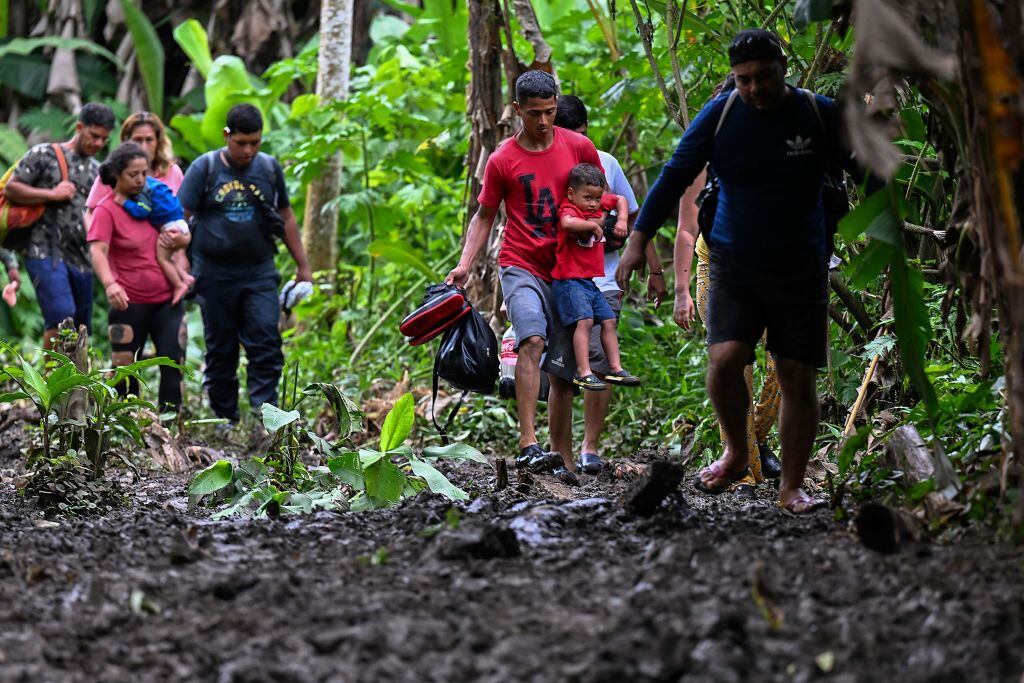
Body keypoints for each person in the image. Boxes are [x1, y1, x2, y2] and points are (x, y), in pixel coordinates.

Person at [618, 29, 865, 513]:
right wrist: (639, 238)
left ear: (783, 67)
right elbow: (675, 174)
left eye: (763, 76)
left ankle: (791, 487)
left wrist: (888, 224)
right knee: (727, 358)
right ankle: (735, 450)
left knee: (797, 373)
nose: (754, 88)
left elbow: (867, 172)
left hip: (801, 263)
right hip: (734, 260)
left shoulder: (817, 113)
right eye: (744, 79)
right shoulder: (723, 113)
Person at [445, 70, 603, 483]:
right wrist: (464, 263)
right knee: (531, 339)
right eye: (535, 114)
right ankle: (528, 444)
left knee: (564, 367)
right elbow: (483, 216)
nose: (545, 121)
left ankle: (562, 455)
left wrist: (610, 223)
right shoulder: (503, 160)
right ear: (518, 110)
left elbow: (596, 198)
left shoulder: (580, 147)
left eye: (551, 111)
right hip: (521, 264)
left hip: (568, 270)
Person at [672, 76, 783, 494]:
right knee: (736, 367)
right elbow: (686, 229)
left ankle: (752, 438)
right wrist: (682, 291)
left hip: (773, 268)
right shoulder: (701, 158)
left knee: (779, 370)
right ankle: (745, 470)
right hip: (715, 265)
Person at [177, 103, 313, 424]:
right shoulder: (204, 169)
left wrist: (303, 266)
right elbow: (179, 222)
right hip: (213, 273)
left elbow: (286, 216)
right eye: (241, 143)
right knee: (221, 348)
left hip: (259, 271)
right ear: (227, 136)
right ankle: (226, 417)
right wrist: (182, 266)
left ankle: (265, 416)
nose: (248, 150)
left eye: (255, 142)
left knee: (266, 339)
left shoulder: (268, 169)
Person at [554, 95, 665, 474]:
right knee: (562, 365)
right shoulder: (548, 168)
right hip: (561, 277)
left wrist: (655, 269)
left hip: (603, 279)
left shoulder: (606, 164)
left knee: (599, 363)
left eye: (582, 136)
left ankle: (590, 447)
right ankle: (561, 451)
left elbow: (634, 218)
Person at [3, 103, 114, 347]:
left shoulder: (99, 171)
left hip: (82, 257)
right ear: (79, 127)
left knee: (80, 327)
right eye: (93, 136)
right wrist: (52, 194)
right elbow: (12, 188)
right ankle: (51, 381)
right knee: (61, 316)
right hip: (43, 250)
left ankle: (75, 382)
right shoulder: (44, 154)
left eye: (104, 139)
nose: (98, 143)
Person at [87, 143, 188, 410]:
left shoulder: (152, 200)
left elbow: (178, 229)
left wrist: (179, 240)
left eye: (144, 173)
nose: (141, 180)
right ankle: (125, 424)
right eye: (134, 174)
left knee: (173, 363)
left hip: (168, 301)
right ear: (117, 175)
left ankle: (169, 428)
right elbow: (98, 251)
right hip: (128, 302)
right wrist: (110, 284)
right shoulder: (106, 209)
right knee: (124, 367)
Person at [553, 163, 640, 392]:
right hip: (569, 280)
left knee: (608, 320)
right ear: (572, 194)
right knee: (585, 321)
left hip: (590, 282)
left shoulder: (598, 203)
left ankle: (615, 368)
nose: (593, 203)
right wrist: (593, 224)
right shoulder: (570, 208)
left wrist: (621, 220)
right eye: (588, 198)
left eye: (597, 198)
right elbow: (567, 223)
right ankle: (584, 371)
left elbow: (620, 200)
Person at [86, 111, 191, 297]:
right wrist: (102, 249)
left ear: (158, 141)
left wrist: (182, 243)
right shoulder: (113, 174)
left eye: (149, 140)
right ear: (127, 141)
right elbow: (91, 214)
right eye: (137, 140)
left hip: (167, 263)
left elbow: (183, 216)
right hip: (127, 271)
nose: (143, 146)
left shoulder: (172, 172)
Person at [117, 176, 192, 303]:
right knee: (169, 258)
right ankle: (185, 277)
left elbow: (142, 211)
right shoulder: (154, 182)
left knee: (163, 259)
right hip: (180, 221)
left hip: (170, 227)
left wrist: (124, 202)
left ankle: (179, 285)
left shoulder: (143, 189)